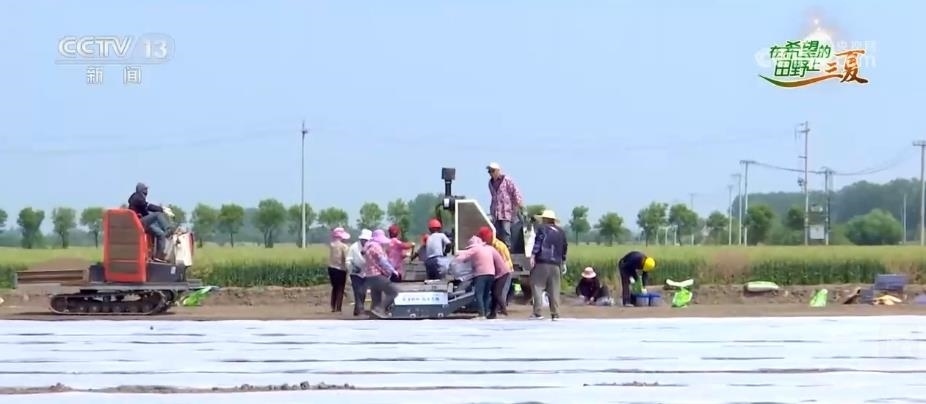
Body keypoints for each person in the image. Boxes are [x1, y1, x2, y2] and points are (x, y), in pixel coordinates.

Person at [453, 235, 508, 320]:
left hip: (480, 274)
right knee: (486, 294)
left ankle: (481, 314)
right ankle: (485, 312)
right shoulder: (490, 248)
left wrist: (455, 258)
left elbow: (463, 257)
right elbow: (498, 259)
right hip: (491, 274)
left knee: (479, 294)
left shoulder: (475, 249)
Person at [529, 209, 567, 321]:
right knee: (554, 289)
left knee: (537, 286)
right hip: (556, 263)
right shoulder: (561, 232)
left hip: (542, 261)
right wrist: (563, 261)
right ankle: (555, 313)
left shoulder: (542, 229)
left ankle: (537, 312)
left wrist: (533, 255)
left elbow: (538, 243)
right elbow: (564, 247)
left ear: (545, 219)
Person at [127, 182, 173, 261]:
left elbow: (145, 212)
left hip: (140, 223)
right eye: (145, 189)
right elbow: (148, 207)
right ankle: (168, 229)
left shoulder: (137, 198)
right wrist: (162, 209)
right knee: (158, 214)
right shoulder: (138, 197)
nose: (147, 191)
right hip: (138, 223)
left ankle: (158, 256)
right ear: (141, 190)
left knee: (161, 234)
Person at [362, 229, 401, 317]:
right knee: (393, 292)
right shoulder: (376, 247)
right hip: (377, 275)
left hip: (369, 276)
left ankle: (374, 313)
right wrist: (393, 271)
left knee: (376, 297)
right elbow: (383, 262)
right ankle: (381, 309)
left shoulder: (368, 246)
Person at [486, 162, 524, 248]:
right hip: (496, 211)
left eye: (492, 171)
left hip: (506, 210)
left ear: (498, 171)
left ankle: (508, 248)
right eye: (489, 171)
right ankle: (499, 248)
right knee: (497, 231)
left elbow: (515, 191)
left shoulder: (507, 180)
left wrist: (519, 203)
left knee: (506, 230)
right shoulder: (490, 183)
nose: (490, 173)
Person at [477, 226, 512, 318]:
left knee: (498, 293)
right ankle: (493, 313)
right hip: (496, 272)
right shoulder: (489, 246)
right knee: (493, 293)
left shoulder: (499, 246)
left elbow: (504, 261)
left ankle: (503, 310)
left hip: (504, 272)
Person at [346, 229, 372, 316]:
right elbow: (348, 260)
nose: (365, 241)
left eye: (366, 240)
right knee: (358, 291)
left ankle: (357, 309)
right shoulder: (353, 247)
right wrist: (353, 268)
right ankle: (360, 309)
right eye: (364, 240)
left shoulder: (371, 247)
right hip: (355, 273)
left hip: (366, 272)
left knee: (363, 292)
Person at [326, 227, 351, 313]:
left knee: (334, 287)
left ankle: (333, 306)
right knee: (340, 288)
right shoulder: (344, 246)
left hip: (331, 268)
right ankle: (338, 307)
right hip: (340, 269)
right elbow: (346, 258)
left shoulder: (331, 245)